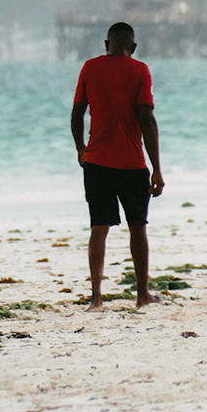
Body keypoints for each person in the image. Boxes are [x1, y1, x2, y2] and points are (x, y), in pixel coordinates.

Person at [70, 22, 165, 311]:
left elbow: (77, 114)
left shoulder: (89, 68)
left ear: (105, 43)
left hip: (97, 162)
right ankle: (142, 295)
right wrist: (156, 167)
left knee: (99, 228)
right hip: (132, 164)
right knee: (138, 227)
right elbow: (147, 119)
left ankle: (96, 298)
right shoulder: (140, 70)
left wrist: (81, 149)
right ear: (133, 47)